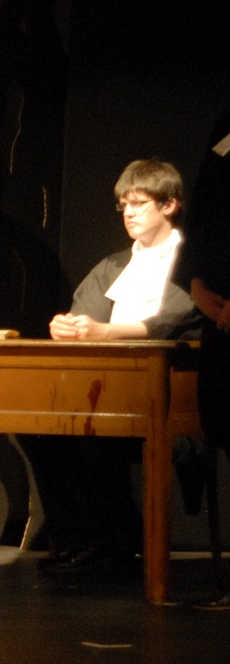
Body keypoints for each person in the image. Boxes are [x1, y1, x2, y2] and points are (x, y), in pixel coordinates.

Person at [21, 159, 205, 576]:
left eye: (139, 203)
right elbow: (84, 314)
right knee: (37, 428)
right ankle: (80, 537)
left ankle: (114, 540)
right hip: (105, 390)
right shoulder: (113, 266)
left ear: (169, 205)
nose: (129, 213)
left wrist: (106, 331)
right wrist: (67, 327)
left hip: (170, 393)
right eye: (124, 204)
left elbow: (176, 320)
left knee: (95, 428)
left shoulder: (192, 263)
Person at [177, 116, 230, 608]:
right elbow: (206, 204)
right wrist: (194, 280)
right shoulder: (225, 128)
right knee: (221, 422)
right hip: (218, 314)